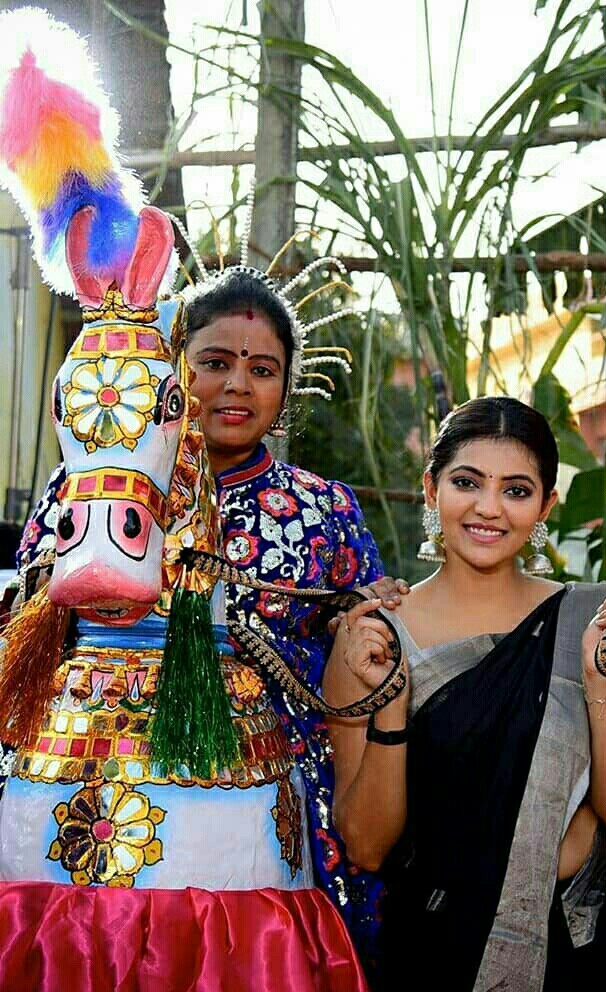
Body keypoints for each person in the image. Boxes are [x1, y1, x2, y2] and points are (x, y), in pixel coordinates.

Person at [16, 265, 406, 973]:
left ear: (285, 387)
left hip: (270, 798)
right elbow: (35, 613)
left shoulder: (323, 507)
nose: (238, 385)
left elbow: (357, 641)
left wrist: (366, 623)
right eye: (216, 363)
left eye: (263, 370)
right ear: (174, 371)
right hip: (83, 777)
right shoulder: (86, 489)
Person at [324, 397, 606, 992]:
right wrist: (393, 703)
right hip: (436, 952)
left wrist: (598, 677)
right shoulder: (373, 638)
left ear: (546, 505)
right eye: (467, 482)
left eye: (516, 490)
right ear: (431, 489)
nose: (489, 508)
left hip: (576, 946)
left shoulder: (595, 621)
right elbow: (368, 847)